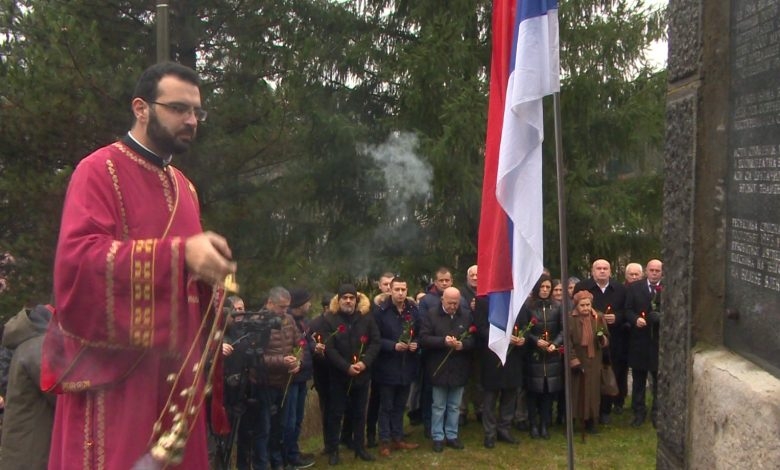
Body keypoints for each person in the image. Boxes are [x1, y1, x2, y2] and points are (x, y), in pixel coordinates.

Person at [40, 62, 236, 469]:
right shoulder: (97, 170)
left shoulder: (185, 187)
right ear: (141, 108)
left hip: (175, 377)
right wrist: (180, 254)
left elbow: (184, 282)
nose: (191, 120)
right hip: (117, 379)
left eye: (197, 111)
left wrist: (208, 276)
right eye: (179, 108)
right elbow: (77, 265)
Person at [322, 284, 381, 465]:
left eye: (351, 298)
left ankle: (359, 447)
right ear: (338, 300)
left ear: (356, 300)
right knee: (336, 413)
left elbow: (375, 342)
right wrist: (346, 366)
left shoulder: (366, 317)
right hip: (339, 375)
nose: (348, 301)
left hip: (362, 374)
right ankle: (333, 450)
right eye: (344, 298)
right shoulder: (329, 319)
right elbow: (329, 348)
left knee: (359, 413)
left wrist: (364, 363)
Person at [419, 287, 475, 452]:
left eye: (456, 303)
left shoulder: (466, 315)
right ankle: (438, 436)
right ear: (442, 300)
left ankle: (452, 434)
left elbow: (473, 339)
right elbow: (423, 338)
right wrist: (443, 341)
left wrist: (463, 345)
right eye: (450, 303)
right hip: (438, 366)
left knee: (454, 405)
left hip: (459, 366)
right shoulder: (431, 315)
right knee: (438, 405)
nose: (453, 306)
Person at [0, 304, 55, 470]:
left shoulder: (27, 345)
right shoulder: (38, 348)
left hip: (22, 449)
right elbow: (59, 394)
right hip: (30, 454)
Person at [573, 259, 628, 423]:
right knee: (590, 377)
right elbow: (574, 309)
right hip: (588, 340)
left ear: (610, 271)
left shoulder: (619, 289)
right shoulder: (582, 287)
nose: (602, 271)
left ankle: (606, 410)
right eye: (599, 268)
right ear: (592, 271)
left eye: (605, 268)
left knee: (610, 373)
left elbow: (627, 310)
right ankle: (587, 412)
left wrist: (617, 317)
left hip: (614, 339)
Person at [372, 277, 421, 457]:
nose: (400, 293)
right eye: (397, 289)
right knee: (386, 406)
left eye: (403, 290)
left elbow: (420, 332)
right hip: (387, 366)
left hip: (407, 365)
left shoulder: (413, 310)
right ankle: (384, 441)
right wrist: (392, 346)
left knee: (401, 405)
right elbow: (374, 339)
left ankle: (398, 437)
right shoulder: (380, 312)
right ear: (390, 291)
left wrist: (416, 343)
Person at [474, 296, 526, 449]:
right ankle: (489, 433)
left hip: (513, 356)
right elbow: (481, 327)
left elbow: (525, 324)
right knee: (490, 395)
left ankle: (504, 429)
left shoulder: (518, 299)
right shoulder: (484, 300)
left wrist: (523, 337)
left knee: (510, 394)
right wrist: (502, 339)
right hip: (492, 355)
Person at [522, 275, 564, 439]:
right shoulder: (528, 307)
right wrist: (535, 341)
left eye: (548, 287)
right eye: (542, 287)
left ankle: (545, 424)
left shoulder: (558, 306)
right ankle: (533, 424)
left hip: (551, 355)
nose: (545, 290)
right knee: (533, 392)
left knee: (548, 393)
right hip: (534, 355)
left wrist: (556, 343)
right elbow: (526, 329)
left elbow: (563, 329)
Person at [625, 259, 664, 428]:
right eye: (652, 270)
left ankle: (658, 413)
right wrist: (635, 319)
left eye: (657, 270)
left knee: (658, 380)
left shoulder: (667, 288)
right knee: (639, 380)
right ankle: (638, 412)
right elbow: (627, 310)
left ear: (662, 272)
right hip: (639, 340)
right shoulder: (635, 288)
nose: (654, 273)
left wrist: (661, 318)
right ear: (646, 271)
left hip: (659, 342)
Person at [282, 289, 316, 469]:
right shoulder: (287, 322)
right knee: (289, 419)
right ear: (300, 304)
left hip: (302, 376)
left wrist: (315, 346)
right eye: (308, 302)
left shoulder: (304, 322)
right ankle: (287, 457)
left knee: (297, 419)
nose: (310, 305)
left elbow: (307, 342)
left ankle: (294, 452)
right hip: (291, 378)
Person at [567, 290, 609, 434]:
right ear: (576, 306)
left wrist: (602, 338)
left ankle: (592, 421)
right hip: (578, 356)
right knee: (576, 390)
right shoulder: (570, 319)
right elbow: (567, 342)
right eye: (582, 305)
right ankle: (572, 421)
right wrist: (573, 360)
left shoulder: (598, 317)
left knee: (593, 391)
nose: (585, 308)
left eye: (588, 305)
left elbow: (606, 338)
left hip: (594, 358)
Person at [366, 272, 394, 448]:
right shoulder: (374, 308)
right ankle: (370, 433)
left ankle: (391, 431)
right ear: (380, 286)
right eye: (386, 285)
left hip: (395, 362)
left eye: (392, 284)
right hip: (378, 361)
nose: (389, 288)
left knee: (391, 401)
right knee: (376, 400)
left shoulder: (403, 307)